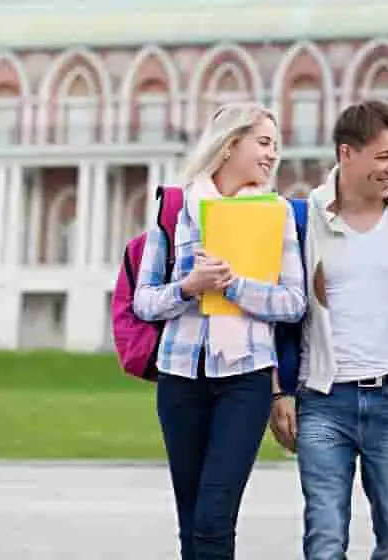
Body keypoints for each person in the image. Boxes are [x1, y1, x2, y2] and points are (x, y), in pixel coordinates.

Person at [268, 99, 388, 560]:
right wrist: (278, 391)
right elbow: (279, 313)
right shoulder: (303, 218)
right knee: (325, 541)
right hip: (324, 401)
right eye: (384, 156)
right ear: (347, 153)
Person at [133, 102, 307, 559]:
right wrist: (189, 288)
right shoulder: (175, 209)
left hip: (245, 380)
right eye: (263, 142)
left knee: (214, 518)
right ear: (230, 145)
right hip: (180, 378)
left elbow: (294, 303)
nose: (273, 154)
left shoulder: (277, 213)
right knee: (192, 522)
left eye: (276, 145)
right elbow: (144, 301)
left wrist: (234, 286)